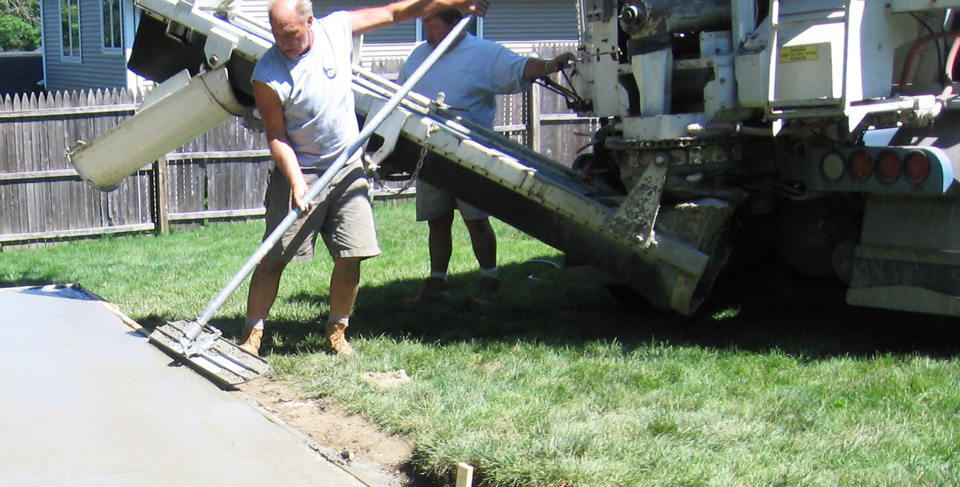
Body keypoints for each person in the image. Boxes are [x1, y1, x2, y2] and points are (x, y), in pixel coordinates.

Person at [238, 0, 489, 357]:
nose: (284, 42)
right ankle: (253, 335)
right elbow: (276, 135)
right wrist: (295, 180)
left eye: (291, 34)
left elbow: (395, 12)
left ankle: (337, 331)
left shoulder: (335, 30)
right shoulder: (268, 72)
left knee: (352, 253)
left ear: (309, 22)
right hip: (303, 169)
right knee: (274, 257)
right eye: (277, 35)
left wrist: (455, 3)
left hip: (347, 166)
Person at [399, 9, 576, 307]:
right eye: (425, 27)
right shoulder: (419, 56)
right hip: (429, 152)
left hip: (471, 154)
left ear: (456, 25)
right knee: (437, 221)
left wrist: (550, 64)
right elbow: (400, 96)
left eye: (435, 27)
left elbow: (519, 68)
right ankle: (436, 284)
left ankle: (490, 281)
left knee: (477, 221)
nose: (429, 35)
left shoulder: (482, 52)